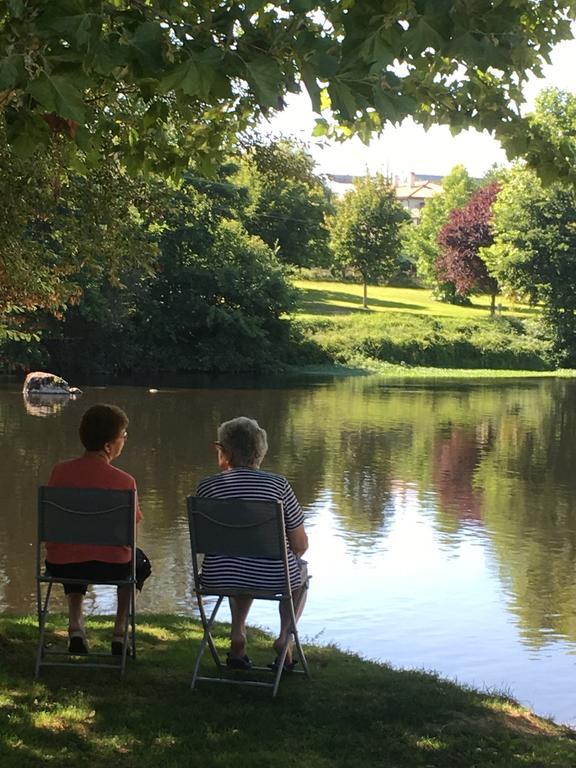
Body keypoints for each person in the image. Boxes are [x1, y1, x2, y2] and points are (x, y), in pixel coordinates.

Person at [196, 416, 309, 670]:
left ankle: (238, 634)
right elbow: (300, 544)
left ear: (228, 452)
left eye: (220, 447)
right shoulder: (278, 486)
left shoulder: (207, 487)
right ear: (260, 452)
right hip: (273, 578)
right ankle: (284, 640)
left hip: (218, 576)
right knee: (301, 573)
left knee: (237, 561)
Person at [45, 404, 151, 655]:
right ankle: (119, 631)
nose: (125, 441)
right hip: (112, 566)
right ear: (108, 446)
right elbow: (131, 532)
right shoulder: (125, 481)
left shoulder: (60, 472)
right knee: (139, 563)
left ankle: (75, 626)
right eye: (123, 436)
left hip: (63, 565)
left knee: (75, 552)